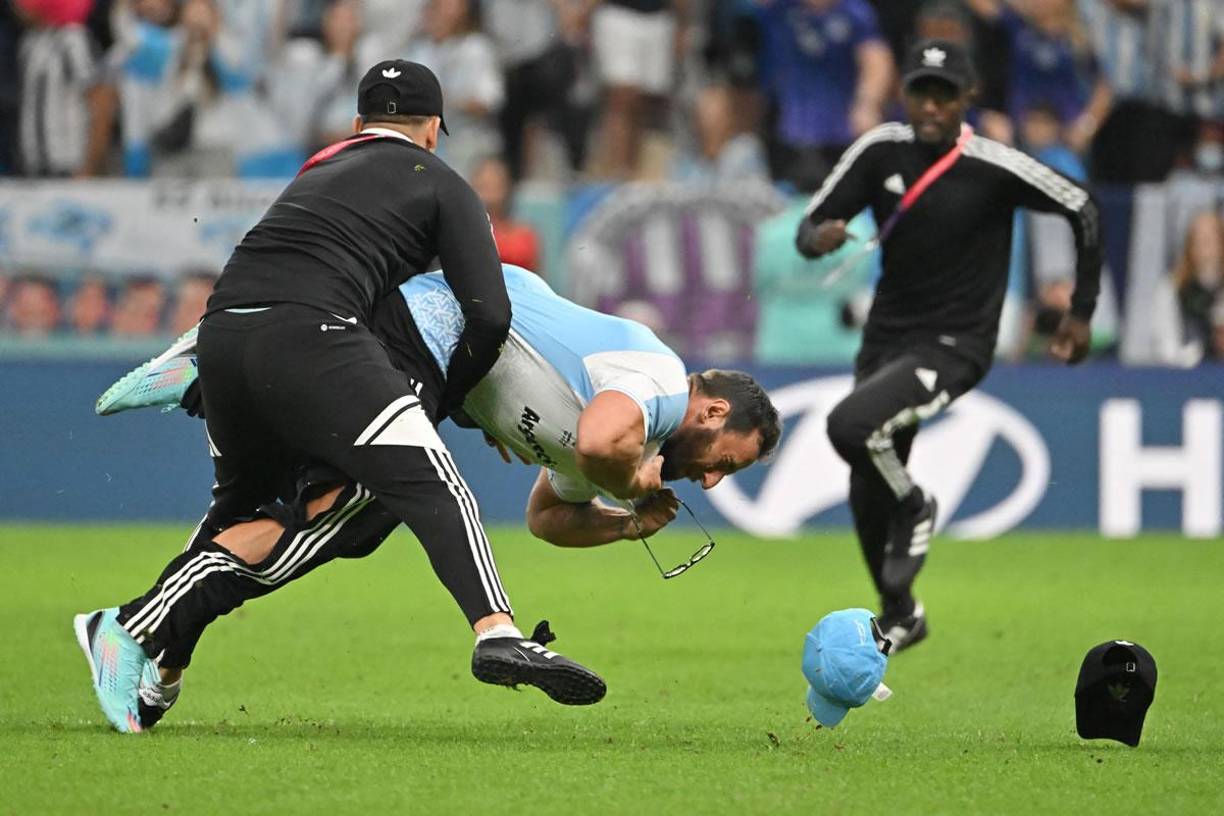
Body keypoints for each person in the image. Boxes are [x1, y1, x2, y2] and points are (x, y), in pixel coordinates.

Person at [73, 60, 604, 735]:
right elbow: (490, 316)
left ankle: (157, 679)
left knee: (236, 518)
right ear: (434, 130)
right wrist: (445, 403)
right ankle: (496, 629)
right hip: (313, 336)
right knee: (434, 482)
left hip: (222, 331)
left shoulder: (320, 168)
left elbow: (292, 256)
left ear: (357, 125)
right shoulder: (443, 183)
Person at [94, 263, 782, 728]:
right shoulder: (659, 381)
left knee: (276, 518)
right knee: (352, 514)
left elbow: (547, 517)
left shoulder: (636, 427)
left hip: (417, 349)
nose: (715, 480)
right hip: (419, 331)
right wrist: (632, 487)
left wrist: (621, 527)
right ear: (715, 412)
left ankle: (160, 662)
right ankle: (132, 627)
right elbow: (602, 446)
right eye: (727, 461)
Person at [794, 39, 1101, 651]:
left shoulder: (994, 165)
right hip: (885, 340)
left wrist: (1080, 311)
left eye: (943, 94)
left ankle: (916, 505)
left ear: (968, 98)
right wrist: (819, 238)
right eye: (920, 92)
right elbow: (810, 226)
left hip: (956, 344)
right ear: (905, 93)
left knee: (851, 428)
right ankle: (902, 612)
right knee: (864, 483)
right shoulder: (880, 149)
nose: (930, 106)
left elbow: (1083, 207)